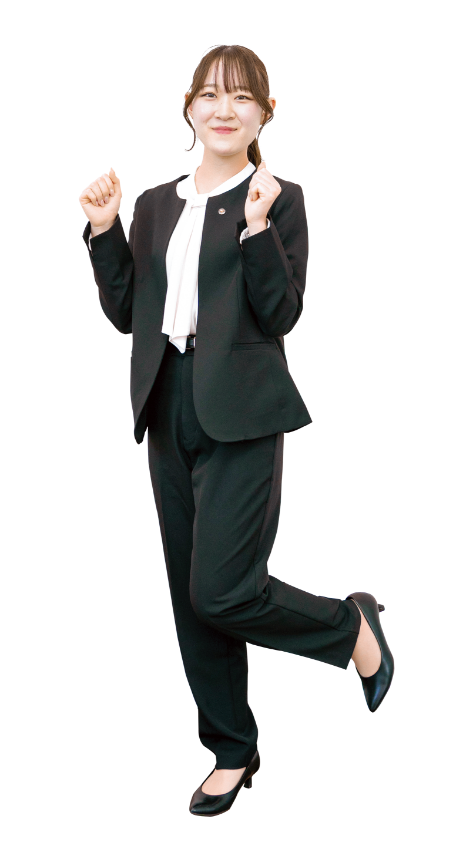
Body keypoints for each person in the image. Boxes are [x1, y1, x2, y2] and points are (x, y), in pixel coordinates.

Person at [78, 43, 394, 817]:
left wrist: (255, 229)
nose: (225, 109)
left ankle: (350, 625)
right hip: (165, 407)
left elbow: (282, 312)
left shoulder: (279, 198)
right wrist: (105, 233)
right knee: (192, 600)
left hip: (243, 412)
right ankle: (231, 747)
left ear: (265, 113)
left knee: (223, 589)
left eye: (242, 96)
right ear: (189, 109)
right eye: (211, 95)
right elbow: (128, 315)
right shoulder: (154, 202)